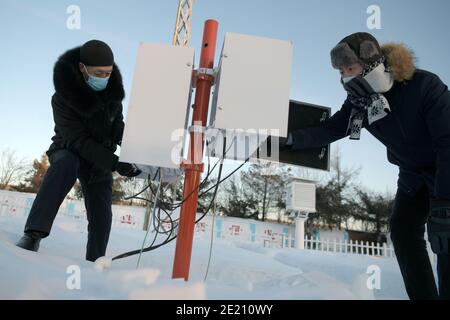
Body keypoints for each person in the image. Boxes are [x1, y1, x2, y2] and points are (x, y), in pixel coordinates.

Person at [282, 32, 450, 299]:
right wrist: (290, 139)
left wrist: (443, 202)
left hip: (446, 169)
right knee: (404, 232)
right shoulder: (359, 103)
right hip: (412, 178)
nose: (346, 75)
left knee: (445, 238)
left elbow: (447, 142)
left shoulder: (424, 86)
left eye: (351, 67)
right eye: (341, 70)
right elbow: (332, 128)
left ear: (372, 62)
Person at [16, 40, 142, 262]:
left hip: (100, 157)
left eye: (108, 73)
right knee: (65, 164)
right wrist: (115, 163)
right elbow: (79, 140)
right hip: (69, 149)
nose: (104, 78)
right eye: (98, 73)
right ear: (83, 68)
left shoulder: (113, 96)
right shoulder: (62, 98)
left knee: (102, 211)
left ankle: (96, 260)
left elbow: (118, 128)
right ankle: (33, 233)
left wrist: (135, 151)